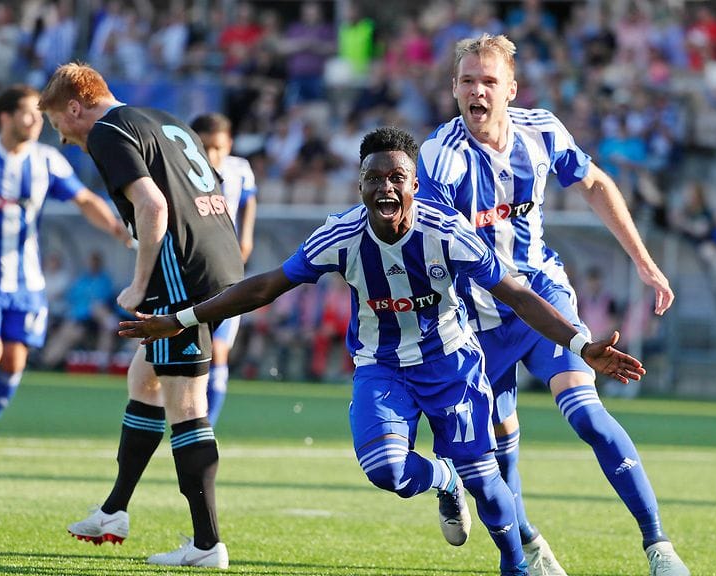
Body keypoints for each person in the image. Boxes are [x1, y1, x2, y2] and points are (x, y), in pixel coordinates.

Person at [117, 127, 647, 576]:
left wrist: (580, 343)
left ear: (416, 184)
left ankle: (516, 563)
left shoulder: (449, 232)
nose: (386, 187)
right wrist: (181, 319)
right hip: (383, 367)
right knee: (385, 470)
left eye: (397, 178)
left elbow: (516, 293)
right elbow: (266, 287)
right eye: (375, 178)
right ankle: (442, 479)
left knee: (487, 485)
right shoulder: (341, 235)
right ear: (361, 184)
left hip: (453, 367)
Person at [417, 34, 688, 576]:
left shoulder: (541, 131)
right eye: (468, 81)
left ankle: (659, 547)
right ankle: (528, 544)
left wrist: (643, 261)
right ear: (453, 89)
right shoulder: (438, 159)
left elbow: (595, 184)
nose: (478, 91)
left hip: (544, 299)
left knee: (587, 414)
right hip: (476, 322)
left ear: (511, 89)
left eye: (489, 81)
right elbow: (429, 251)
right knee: (494, 458)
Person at [38, 63, 243, 568]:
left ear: (74, 107)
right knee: (144, 380)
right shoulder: (161, 119)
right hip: (217, 259)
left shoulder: (108, 131)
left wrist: (139, 282)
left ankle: (206, 543)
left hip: (180, 274)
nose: (62, 139)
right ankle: (114, 510)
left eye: (57, 125)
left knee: (187, 404)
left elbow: (153, 208)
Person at [0, 84, 128, 458]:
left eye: (38, 114)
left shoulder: (47, 161)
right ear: (5, 117)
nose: (35, 121)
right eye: (28, 113)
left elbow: (84, 199)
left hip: (27, 282)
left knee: (14, 362)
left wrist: (114, 226)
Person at [189, 112, 257, 427]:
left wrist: (245, 240)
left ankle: (206, 425)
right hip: (190, 273)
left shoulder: (240, 170)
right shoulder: (183, 172)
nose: (211, 155)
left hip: (227, 274)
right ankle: (185, 417)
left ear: (229, 144)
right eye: (204, 147)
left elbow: (249, 205)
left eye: (217, 147)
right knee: (189, 352)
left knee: (218, 349)